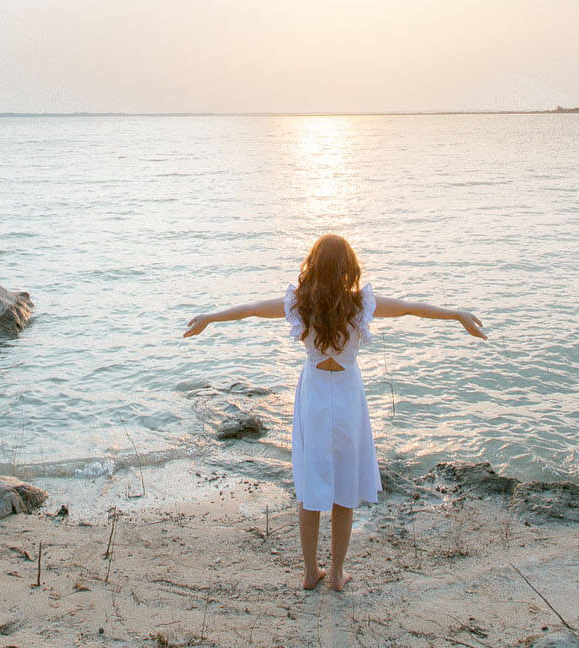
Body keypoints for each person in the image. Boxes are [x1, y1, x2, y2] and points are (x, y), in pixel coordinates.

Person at [182, 233, 486, 591]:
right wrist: (458, 316)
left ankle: (311, 572)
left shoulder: (299, 304)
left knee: (311, 483)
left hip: (313, 395)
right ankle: (337, 574)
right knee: (345, 483)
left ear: (313, 265)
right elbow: (409, 307)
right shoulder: (359, 305)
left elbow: (249, 309)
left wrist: (209, 318)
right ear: (348, 267)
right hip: (346, 396)